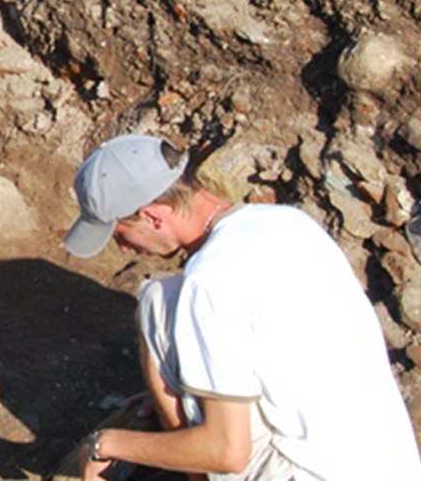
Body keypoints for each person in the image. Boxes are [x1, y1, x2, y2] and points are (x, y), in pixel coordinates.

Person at [63, 134, 421, 481]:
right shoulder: (288, 223)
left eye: (120, 233)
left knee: (155, 305)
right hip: (389, 464)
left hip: (309, 472)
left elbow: (227, 453)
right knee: (161, 302)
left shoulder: (210, 280)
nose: (122, 248)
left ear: (154, 216)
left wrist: (107, 444)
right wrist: (189, 393)